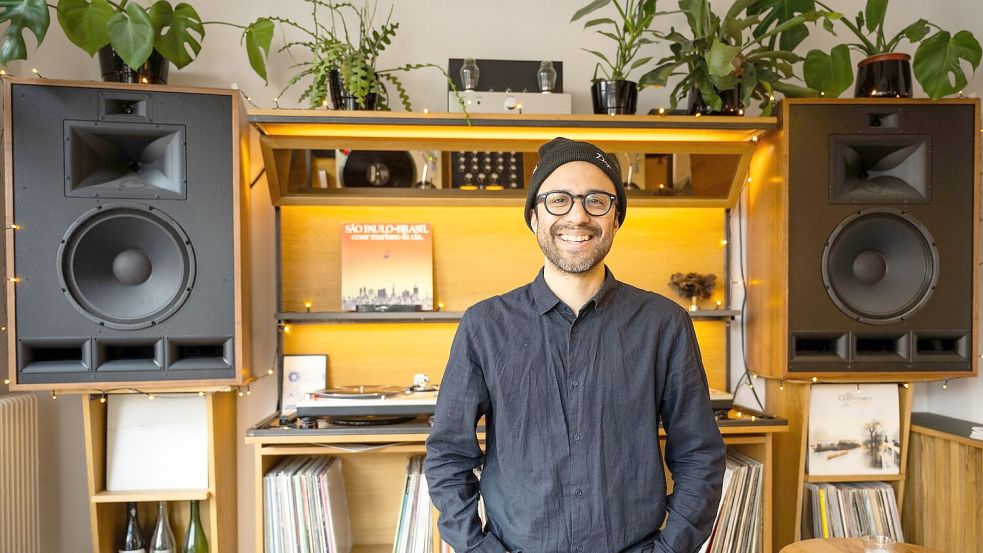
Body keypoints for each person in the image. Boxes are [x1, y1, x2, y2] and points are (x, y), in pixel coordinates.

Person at [424, 137, 726, 553]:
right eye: (559, 200)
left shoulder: (665, 323)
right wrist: (477, 549)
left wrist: (671, 548)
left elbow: (699, 454)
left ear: (616, 217)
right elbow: (447, 455)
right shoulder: (484, 325)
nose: (578, 216)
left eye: (596, 201)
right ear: (533, 216)